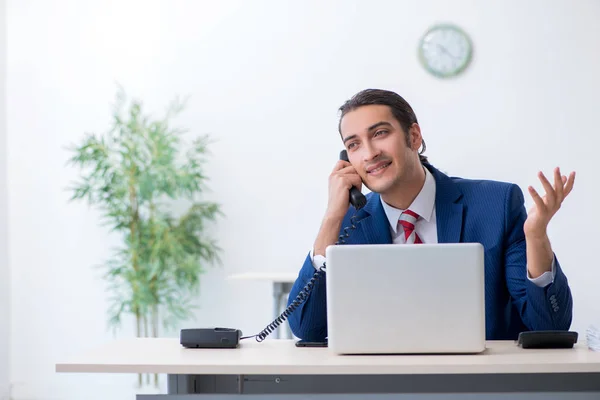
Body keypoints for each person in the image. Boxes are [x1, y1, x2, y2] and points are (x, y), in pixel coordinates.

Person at [286, 88, 575, 342]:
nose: (369, 153)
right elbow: (306, 328)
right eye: (354, 145)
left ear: (414, 136)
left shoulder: (496, 204)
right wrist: (331, 219)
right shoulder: (347, 223)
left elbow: (550, 326)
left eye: (380, 134)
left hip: (478, 383)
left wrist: (536, 236)